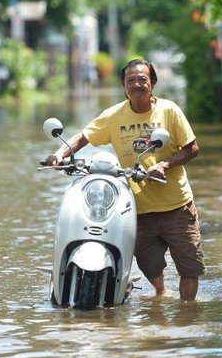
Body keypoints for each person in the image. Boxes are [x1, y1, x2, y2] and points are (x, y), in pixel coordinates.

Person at [44, 58, 205, 301]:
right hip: (139, 209)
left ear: (152, 83)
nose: (137, 84)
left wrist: (165, 164)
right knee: (148, 264)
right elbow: (83, 137)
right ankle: (161, 293)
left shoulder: (169, 111)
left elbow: (192, 148)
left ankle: (187, 314)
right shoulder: (114, 115)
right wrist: (59, 155)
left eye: (143, 79)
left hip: (177, 206)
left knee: (189, 266)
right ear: (123, 85)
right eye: (131, 80)